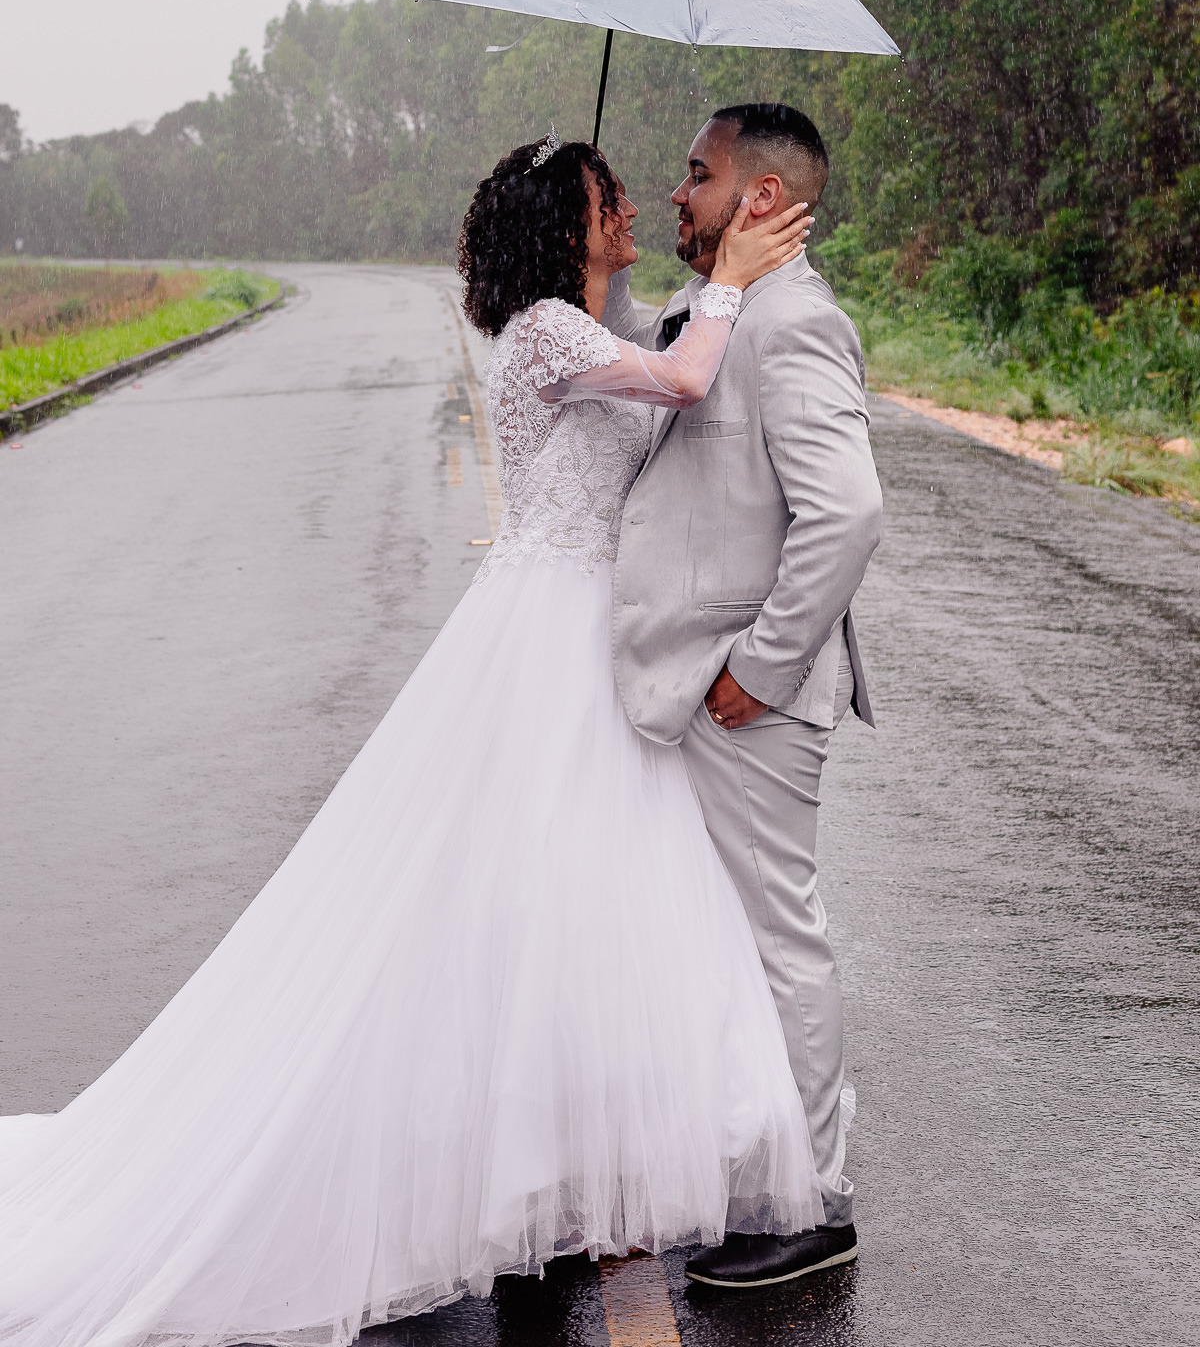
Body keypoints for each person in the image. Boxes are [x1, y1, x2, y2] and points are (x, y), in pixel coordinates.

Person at [0, 131, 818, 1347]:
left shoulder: (589, 326)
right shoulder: (544, 330)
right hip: (550, 637)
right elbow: (689, 381)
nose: (631, 209)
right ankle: (541, 1172)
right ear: (563, 224)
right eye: (608, 199)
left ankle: (558, 1164)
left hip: (597, 627)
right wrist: (736, 280)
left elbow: (667, 374)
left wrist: (718, 290)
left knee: (583, 907)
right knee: (533, 895)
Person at [603, 103, 883, 1290]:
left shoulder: (794, 323)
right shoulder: (724, 310)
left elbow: (849, 513)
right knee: (717, 941)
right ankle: (746, 1168)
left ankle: (814, 1204)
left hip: (746, 699)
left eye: (698, 175)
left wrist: (755, 672)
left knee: (778, 941)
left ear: (761, 198)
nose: (679, 191)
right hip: (694, 686)